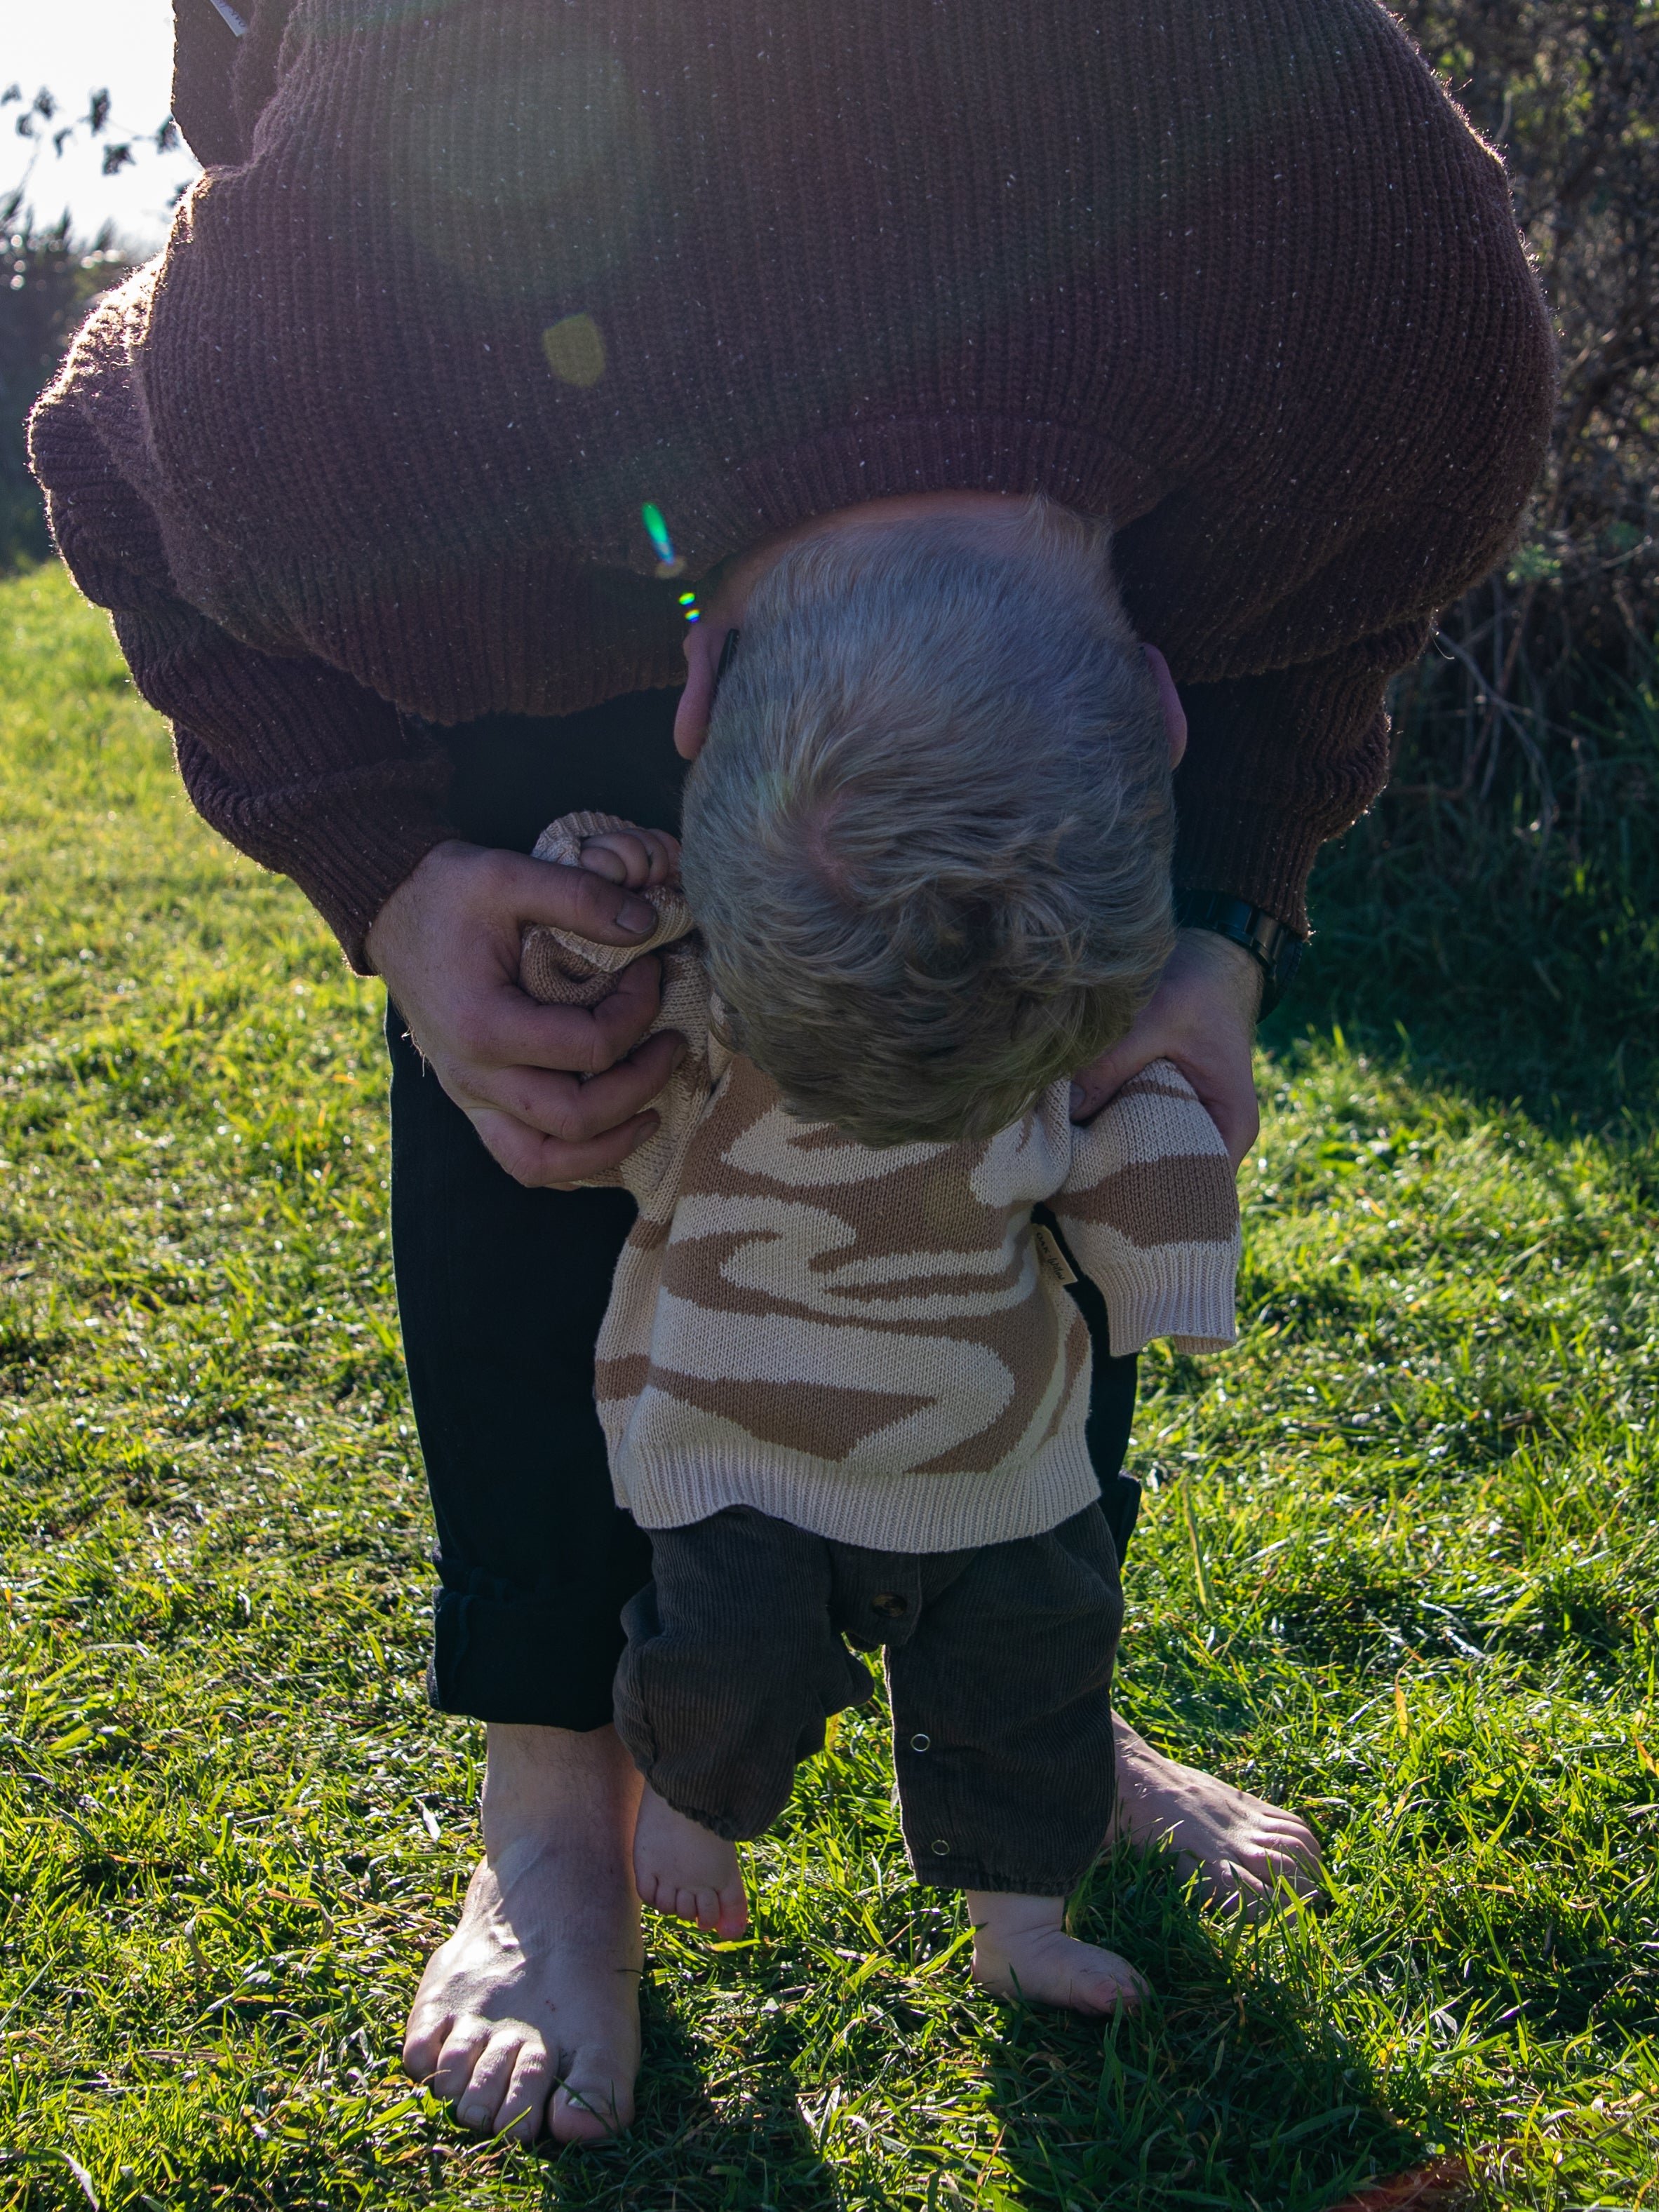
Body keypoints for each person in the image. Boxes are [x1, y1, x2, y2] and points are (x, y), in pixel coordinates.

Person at [29, 0, 1554, 2144]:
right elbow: (103, 445)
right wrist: (392, 881)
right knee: (561, 1025)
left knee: (1043, 1021)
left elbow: (1343, 602)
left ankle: (1026, 1665)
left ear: (1161, 688)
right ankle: (555, 1803)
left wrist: (1214, 932)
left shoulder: (1367, 282)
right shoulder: (361, 352)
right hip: (516, 262)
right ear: (683, 686)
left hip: (1078, 241)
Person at [504, 499, 1245, 2032]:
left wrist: (1173, 1270)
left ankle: (1019, 1912)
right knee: (727, 1649)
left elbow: (1138, 1122)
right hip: (741, 1427)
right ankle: (689, 1800)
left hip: (995, 1450)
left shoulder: (1046, 959)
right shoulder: (733, 974)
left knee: (1033, 1669)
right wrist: (601, 892)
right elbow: (581, 983)